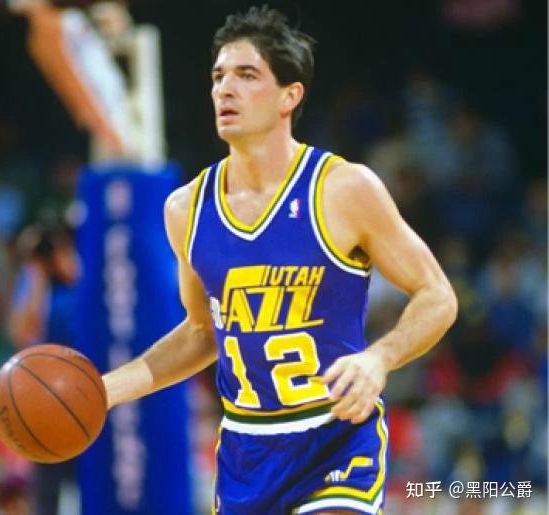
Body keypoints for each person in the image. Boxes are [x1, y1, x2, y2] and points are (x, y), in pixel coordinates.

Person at [103, 6, 458, 514]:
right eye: (219, 77)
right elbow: (203, 333)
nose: (226, 89)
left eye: (247, 75)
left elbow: (438, 295)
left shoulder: (343, 189)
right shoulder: (186, 209)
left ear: (290, 96)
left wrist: (379, 358)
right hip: (247, 453)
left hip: (336, 438)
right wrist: (104, 391)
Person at [8, 221, 79, 515]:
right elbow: (21, 333)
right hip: (46, 395)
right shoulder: (35, 281)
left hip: (87, 388)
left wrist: (66, 266)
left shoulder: (87, 274)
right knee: (47, 485)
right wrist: (36, 272)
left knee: (90, 480)